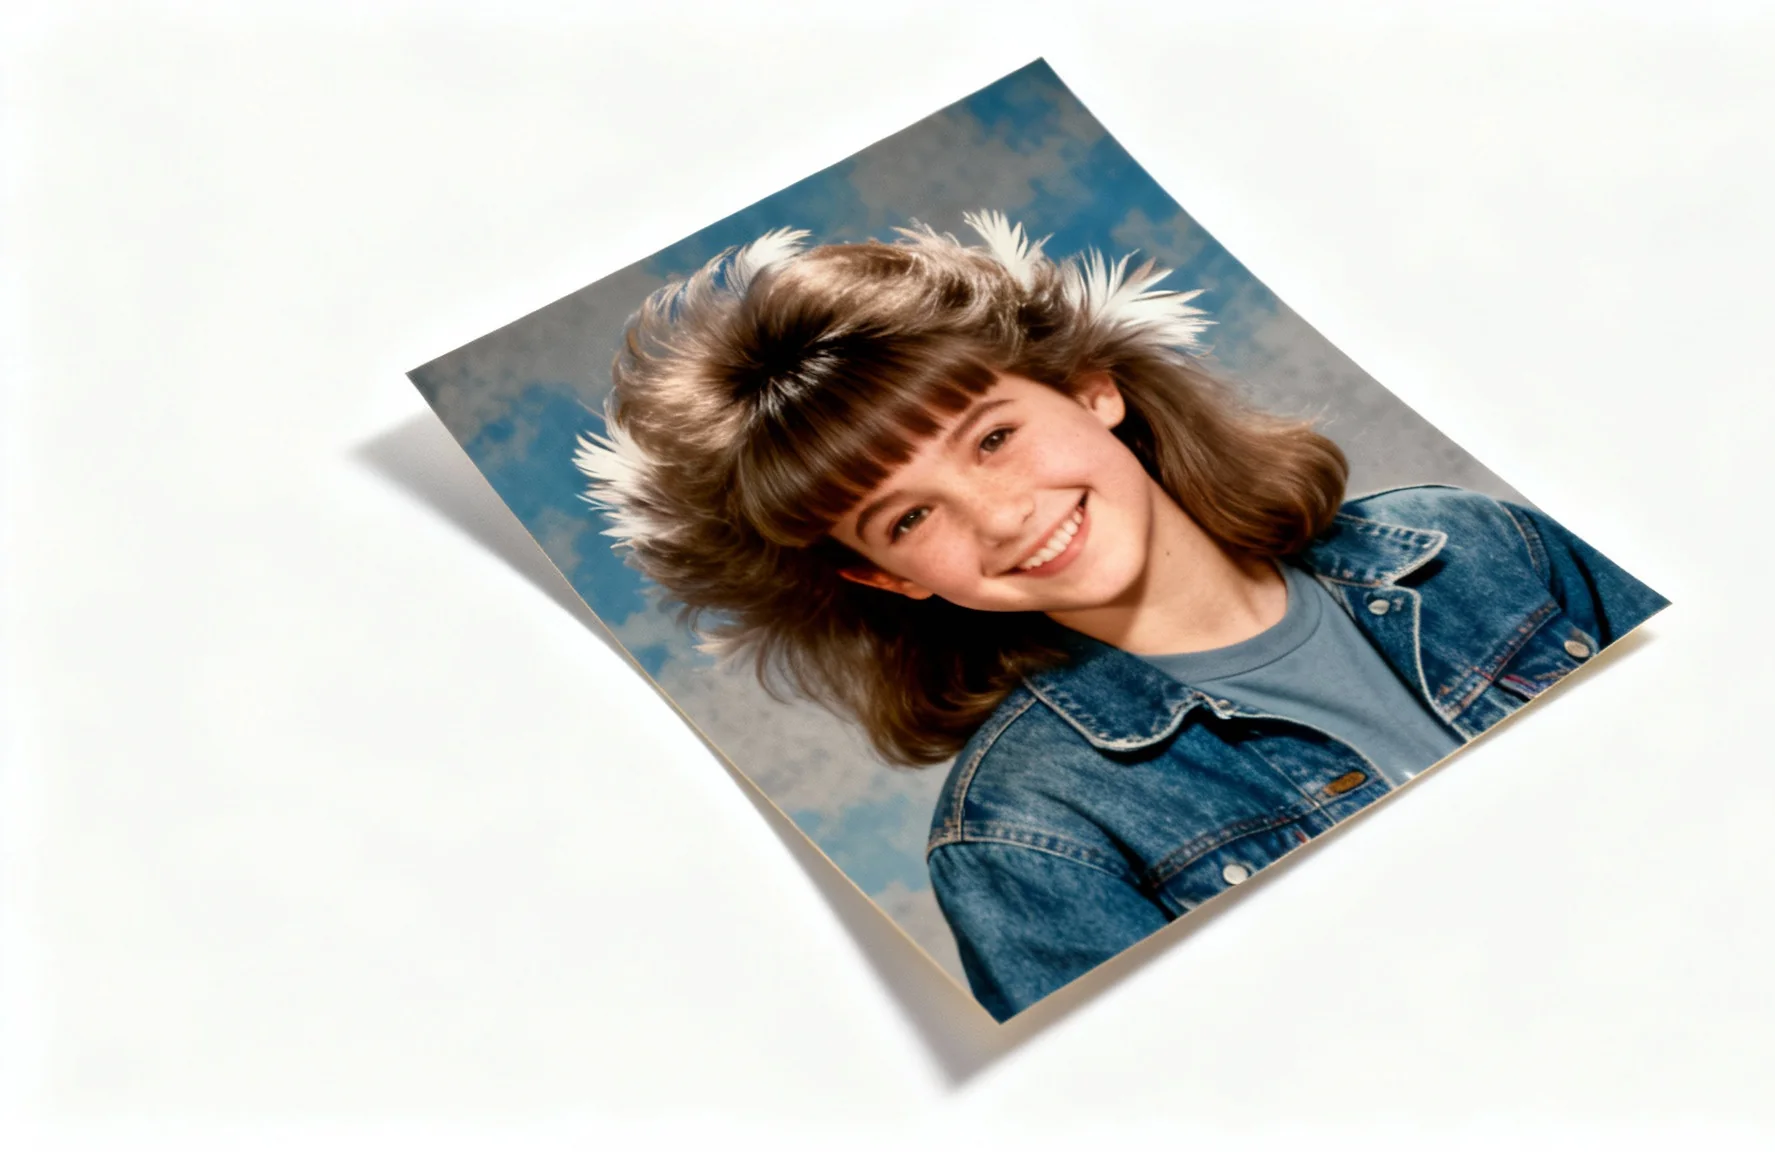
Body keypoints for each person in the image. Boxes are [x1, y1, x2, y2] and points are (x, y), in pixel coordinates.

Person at [574, 211, 1669, 1022]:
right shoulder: (1027, 839)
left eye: (993, 437)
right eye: (908, 518)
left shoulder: (1473, 546)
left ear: (1092, 388)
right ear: (887, 580)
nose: (1001, 514)